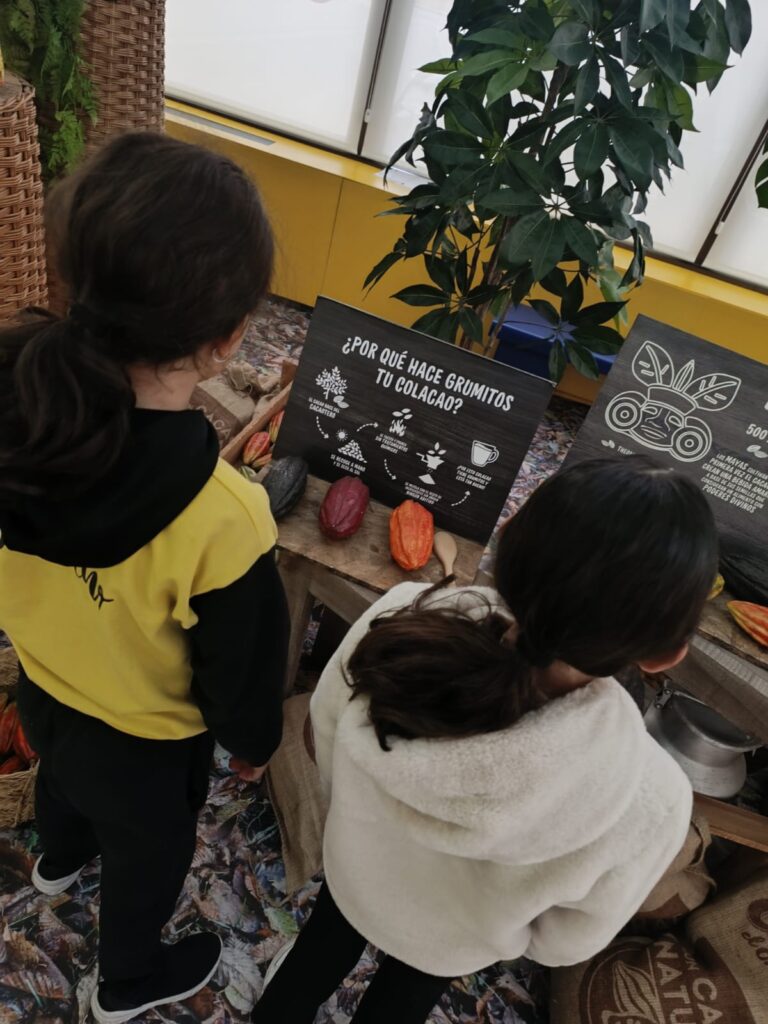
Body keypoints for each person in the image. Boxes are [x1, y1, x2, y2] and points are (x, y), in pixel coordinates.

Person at [252, 456, 719, 1024]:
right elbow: (566, 942)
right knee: (400, 1005)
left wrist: (359, 821)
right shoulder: (654, 798)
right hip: (455, 942)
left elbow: (325, 738)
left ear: (507, 537)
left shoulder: (397, 621)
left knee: (315, 955)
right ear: (665, 655)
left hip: (356, 873)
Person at [0, 133, 289, 1024]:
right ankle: (127, 980)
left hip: (41, 680)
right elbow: (242, 668)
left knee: (59, 775)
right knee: (149, 856)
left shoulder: (14, 411)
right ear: (226, 341)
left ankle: (55, 862)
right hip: (144, 746)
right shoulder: (226, 517)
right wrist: (254, 740)